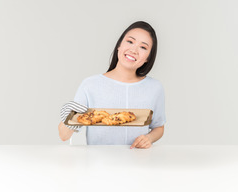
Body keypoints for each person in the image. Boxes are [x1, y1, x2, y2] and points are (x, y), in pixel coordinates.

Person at [58, 21, 166, 149]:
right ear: (119, 46)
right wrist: (72, 114)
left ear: (148, 57)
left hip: (139, 162)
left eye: (143, 47)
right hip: (98, 164)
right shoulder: (90, 85)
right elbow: (63, 135)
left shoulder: (155, 88)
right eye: (130, 42)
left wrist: (149, 138)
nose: (134, 50)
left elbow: (159, 127)